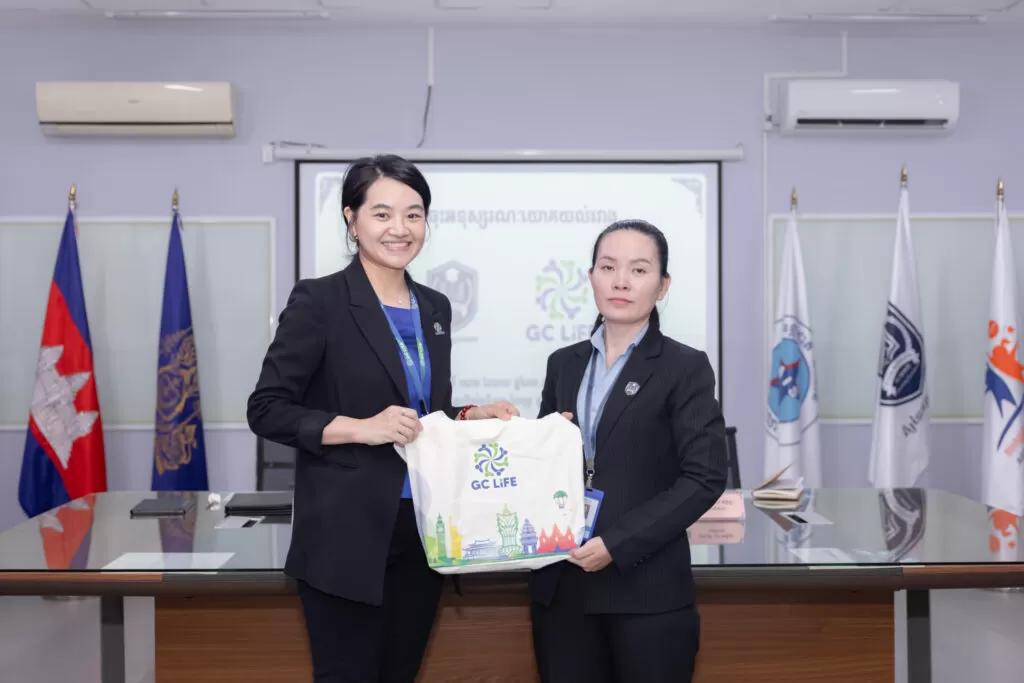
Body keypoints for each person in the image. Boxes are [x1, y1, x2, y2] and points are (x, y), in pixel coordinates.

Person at [247, 154, 519, 683]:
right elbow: (267, 408)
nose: (400, 228)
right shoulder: (320, 301)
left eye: (414, 215)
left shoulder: (434, 306)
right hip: (346, 534)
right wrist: (361, 427)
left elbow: (422, 413)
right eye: (382, 214)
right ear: (352, 220)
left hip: (425, 529)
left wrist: (470, 414)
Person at [530, 219, 728, 683]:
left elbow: (705, 477)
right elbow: (544, 465)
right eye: (608, 267)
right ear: (591, 277)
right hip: (564, 588)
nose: (620, 281)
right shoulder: (564, 363)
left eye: (638, 270)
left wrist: (617, 545)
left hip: (646, 591)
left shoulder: (684, 366)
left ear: (663, 286)